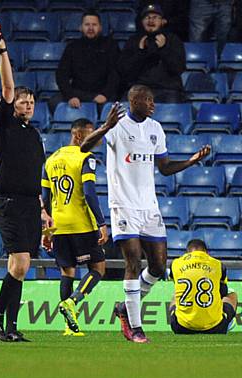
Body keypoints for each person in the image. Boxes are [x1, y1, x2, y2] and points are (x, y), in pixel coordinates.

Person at [80, 85, 210, 343]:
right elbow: (84, 146)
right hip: (124, 205)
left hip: (149, 206)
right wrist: (105, 127)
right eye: (147, 100)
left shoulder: (155, 129)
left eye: (153, 99)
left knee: (159, 266)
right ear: (133, 101)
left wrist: (191, 160)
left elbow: (164, 168)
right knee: (133, 263)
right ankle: (136, 328)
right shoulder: (117, 126)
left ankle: (125, 308)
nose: (152, 104)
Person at [0, 19, 53, 343]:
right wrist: (2, 49)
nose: (26, 104)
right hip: (9, 201)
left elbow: (33, 174)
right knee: (21, 262)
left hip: (29, 203)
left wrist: (42, 209)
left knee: (20, 267)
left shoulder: (34, 134)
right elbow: (7, 88)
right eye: (21, 101)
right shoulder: (6, 125)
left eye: (30, 101)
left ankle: (10, 328)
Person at [41, 116, 121, 336]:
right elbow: (88, 192)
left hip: (59, 226)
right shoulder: (85, 156)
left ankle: (69, 326)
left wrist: (46, 232)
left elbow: (45, 200)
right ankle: (73, 302)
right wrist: (101, 223)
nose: (96, 137)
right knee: (98, 269)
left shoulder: (51, 160)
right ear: (77, 135)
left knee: (67, 271)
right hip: (81, 224)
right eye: (90, 133)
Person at [51, 10, 121, 112]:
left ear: (100, 27)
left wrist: (105, 94)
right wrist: (70, 96)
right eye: (87, 24)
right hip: (77, 94)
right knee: (54, 102)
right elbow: (61, 74)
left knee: (112, 108)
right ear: (81, 27)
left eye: (94, 25)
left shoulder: (111, 46)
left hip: (102, 94)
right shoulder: (72, 47)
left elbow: (115, 74)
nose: (91, 28)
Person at [118, 4, 186, 103]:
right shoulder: (134, 41)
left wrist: (163, 49)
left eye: (155, 17)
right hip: (139, 91)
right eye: (147, 18)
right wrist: (140, 52)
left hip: (167, 90)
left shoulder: (173, 40)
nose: (151, 21)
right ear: (142, 22)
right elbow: (124, 71)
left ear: (162, 21)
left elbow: (178, 68)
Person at [169, 239, 237, 334]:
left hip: (181, 327)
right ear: (206, 252)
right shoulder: (217, 264)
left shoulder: (175, 264)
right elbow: (223, 293)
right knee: (232, 295)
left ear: (187, 252)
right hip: (215, 327)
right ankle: (227, 322)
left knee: (175, 296)